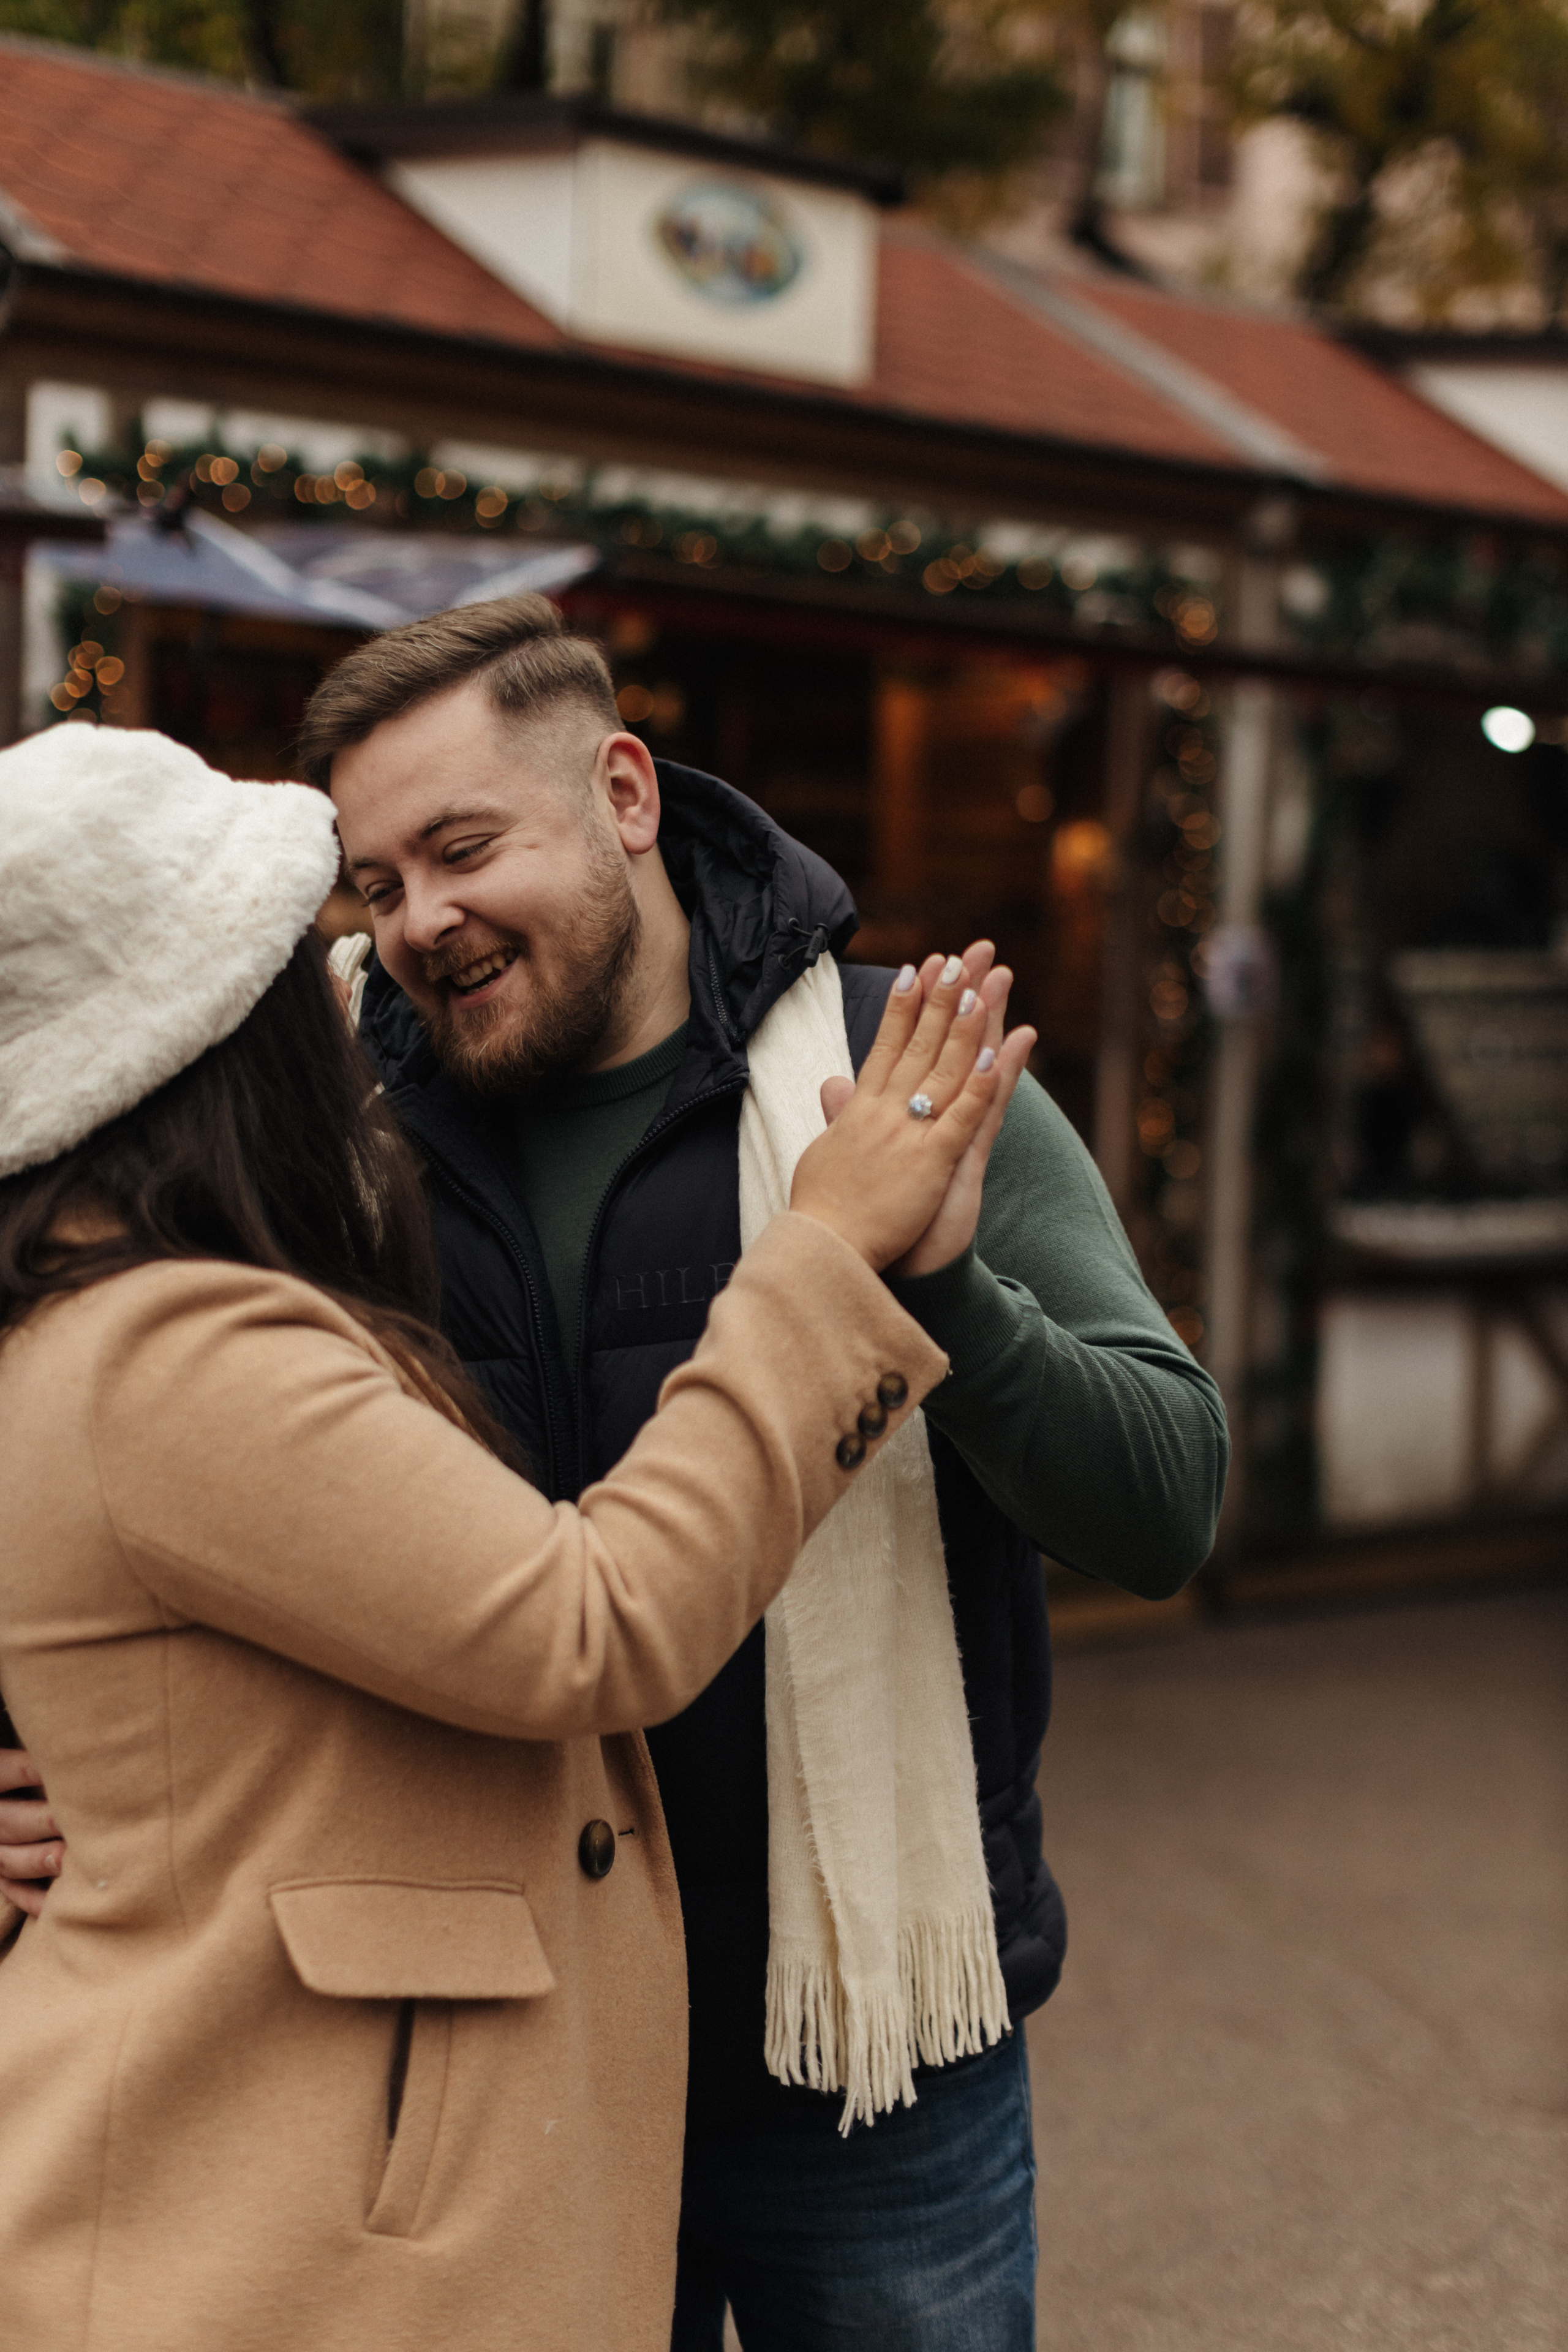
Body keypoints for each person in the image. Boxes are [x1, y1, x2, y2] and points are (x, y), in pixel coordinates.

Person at [3, 594, 1229, 2350]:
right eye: (374, 882)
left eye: (464, 846)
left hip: (863, 2052)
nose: (422, 921)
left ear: (627, 796)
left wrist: (934, 1278)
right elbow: (99, 1521)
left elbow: (1168, 1507)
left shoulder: (898, 1089)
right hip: (487, 2073)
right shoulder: (294, 1148)